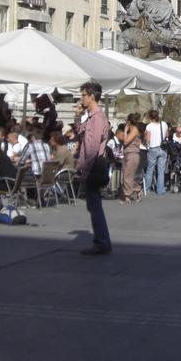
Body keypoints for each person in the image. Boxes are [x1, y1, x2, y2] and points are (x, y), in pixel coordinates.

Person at [76, 82, 112, 255]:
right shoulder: (92, 117)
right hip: (93, 165)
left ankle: (102, 242)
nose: (81, 98)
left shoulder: (97, 118)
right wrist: (78, 116)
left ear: (91, 96)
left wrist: (85, 171)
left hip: (93, 166)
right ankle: (101, 240)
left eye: (83, 95)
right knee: (93, 204)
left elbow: (92, 147)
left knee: (95, 205)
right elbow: (80, 132)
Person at [143, 110, 169, 195]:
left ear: (150, 117)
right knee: (161, 170)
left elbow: (148, 139)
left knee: (150, 169)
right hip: (163, 148)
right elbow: (167, 135)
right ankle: (160, 190)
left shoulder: (149, 126)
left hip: (153, 148)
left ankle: (146, 188)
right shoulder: (164, 124)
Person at [120, 113, 143, 203]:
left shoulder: (134, 130)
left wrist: (125, 131)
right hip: (127, 154)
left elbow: (126, 142)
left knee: (127, 175)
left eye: (126, 122)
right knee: (127, 176)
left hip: (132, 155)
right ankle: (137, 189)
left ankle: (127, 197)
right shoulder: (131, 130)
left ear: (129, 122)